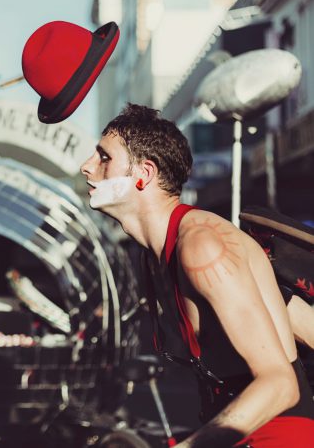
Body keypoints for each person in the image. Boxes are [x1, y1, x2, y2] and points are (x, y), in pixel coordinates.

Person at [80, 103, 314, 447]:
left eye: (104, 158)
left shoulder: (203, 246)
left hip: (279, 434)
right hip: (236, 428)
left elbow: (280, 383)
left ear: (143, 174)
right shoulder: (154, 256)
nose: (87, 167)